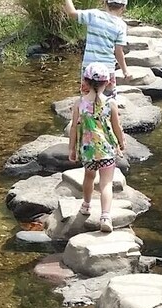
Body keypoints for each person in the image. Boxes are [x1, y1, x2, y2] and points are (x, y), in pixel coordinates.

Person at [67, 63, 126, 231]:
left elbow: (73, 127)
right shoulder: (111, 104)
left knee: (89, 177)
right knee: (106, 184)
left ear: (86, 80)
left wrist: (71, 149)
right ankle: (105, 217)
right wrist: (121, 143)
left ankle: (86, 205)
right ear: (107, 82)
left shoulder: (80, 104)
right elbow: (117, 127)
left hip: (88, 151)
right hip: (106, 150)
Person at [63, 0, 128, 100]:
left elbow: (72, 13)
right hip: (107, 68)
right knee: (109, 100)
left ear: (105, 3)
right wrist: (125, 71)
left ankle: (87, 114)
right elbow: (119, 52)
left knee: (87, 98)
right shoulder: (121, 25)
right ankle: (109, 115)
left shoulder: (94, 15)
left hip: (89, 67)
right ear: (123, 8)